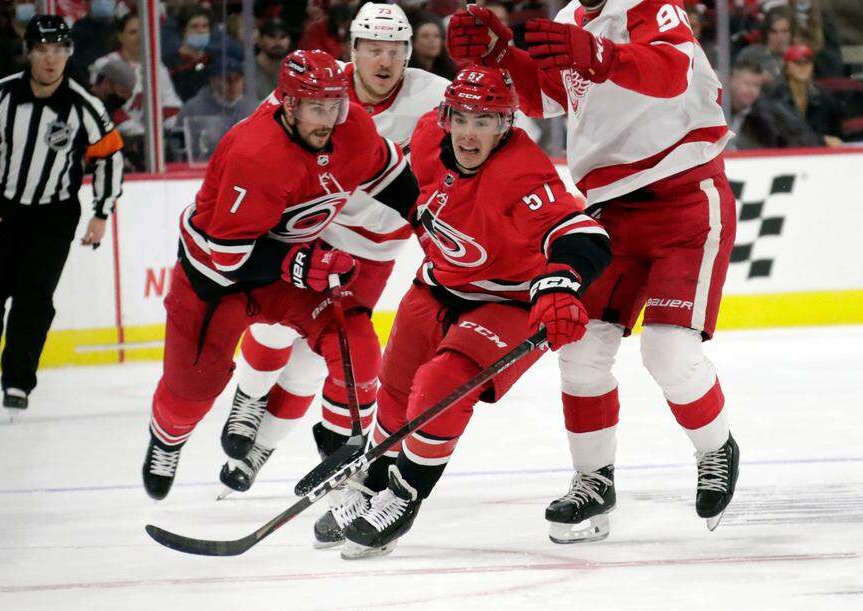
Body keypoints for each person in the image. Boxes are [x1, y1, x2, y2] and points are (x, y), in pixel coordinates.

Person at [448, 0, 741, 543]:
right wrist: (501, 56)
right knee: (579, 351)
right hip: (610, 209)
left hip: (686, 198)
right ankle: (593, 483)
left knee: (668, 351)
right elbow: (549, 97)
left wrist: (603, 54)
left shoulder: (650, 5)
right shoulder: (568, 19)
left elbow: (673, 72)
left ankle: (715, 449)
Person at [334, 66, 611, 558]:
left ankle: (404, 494)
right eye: (460, 117)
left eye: (484, 121)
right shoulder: (426, 135)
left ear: (506, 125)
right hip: (438, 284)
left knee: (439, 385)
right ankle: (375, 479)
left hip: (505, 300)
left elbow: (582, 234)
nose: (468, 131)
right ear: (444, 116)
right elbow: (412, 194)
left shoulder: (521, 170)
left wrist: (560, 283)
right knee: (395, 388)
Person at [140, 49, 420, 500]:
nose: (328, 119)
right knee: (192, 390)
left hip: (285, 270)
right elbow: (228, 256)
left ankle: (341, 452)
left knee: (354, 340)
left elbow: (388, 172)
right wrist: (298, 263)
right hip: (215, 278)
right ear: (288, 105)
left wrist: (423, 217)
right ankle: (168, 438)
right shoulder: (255, 154)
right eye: (316, 107)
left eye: (335, 105)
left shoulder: (350, 126)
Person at [216, 3, 450, 510]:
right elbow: (264, 133)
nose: (384, 61)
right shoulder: (321, 87)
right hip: (311, 230)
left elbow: (493, 129)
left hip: (375, 253)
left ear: (408, 54)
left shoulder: (435, 96)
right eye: (373, 50)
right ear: (354, 52)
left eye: (395, 51)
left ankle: (259, 451)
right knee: (274, 328)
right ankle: (249, 396)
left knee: (312, 365)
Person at [0, 16, 123, 413]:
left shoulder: (83, 105)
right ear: (29, 53)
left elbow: (109, 155)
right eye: (43, 50)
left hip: (54, 217)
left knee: (34, 301)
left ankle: (18, 381)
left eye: (60, 50)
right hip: (0, 209)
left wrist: (101, 212)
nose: (51, 60)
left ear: (68, 54)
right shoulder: (1, 96)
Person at [90, 12, 183, 171]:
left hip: (150, 144)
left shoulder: (158, 68)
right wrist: (143, 136)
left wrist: (177, 136)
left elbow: (171, 110)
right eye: (133, 32)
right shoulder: (105, 64)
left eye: (143, 32)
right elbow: (105, 108)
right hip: (112, 142)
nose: (139, 37)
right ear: (121, 36)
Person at [179, 51, 258, 161]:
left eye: (237, 79)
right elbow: (178, 150)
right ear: (213, 80)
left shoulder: (255, 109)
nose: (233, 85)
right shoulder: (192, 109)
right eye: (227, 79)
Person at [773, 44, 843, 147]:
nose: (803, 67)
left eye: (807, 62)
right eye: (797, 62)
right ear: (786, 67)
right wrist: (822, 139)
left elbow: (835, 133)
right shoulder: (775, 98)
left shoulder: (824, 98)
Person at [165, 7, 215, 102]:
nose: (200, 31)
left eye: (205, 26)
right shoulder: (168, 62)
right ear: (184, 30)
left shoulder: (214, 61)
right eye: (194, 26)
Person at [735, 6, 792, 83]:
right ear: (767, 33)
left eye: (784, 31)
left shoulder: (799, 57)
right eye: (774, 32)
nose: (780, 37)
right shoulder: (751, 55)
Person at [251, 18, 292, 102]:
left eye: (283, 37)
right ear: (260, 40)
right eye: (272, 36)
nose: (278, 42)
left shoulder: (294, 71)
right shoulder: (247, 70)